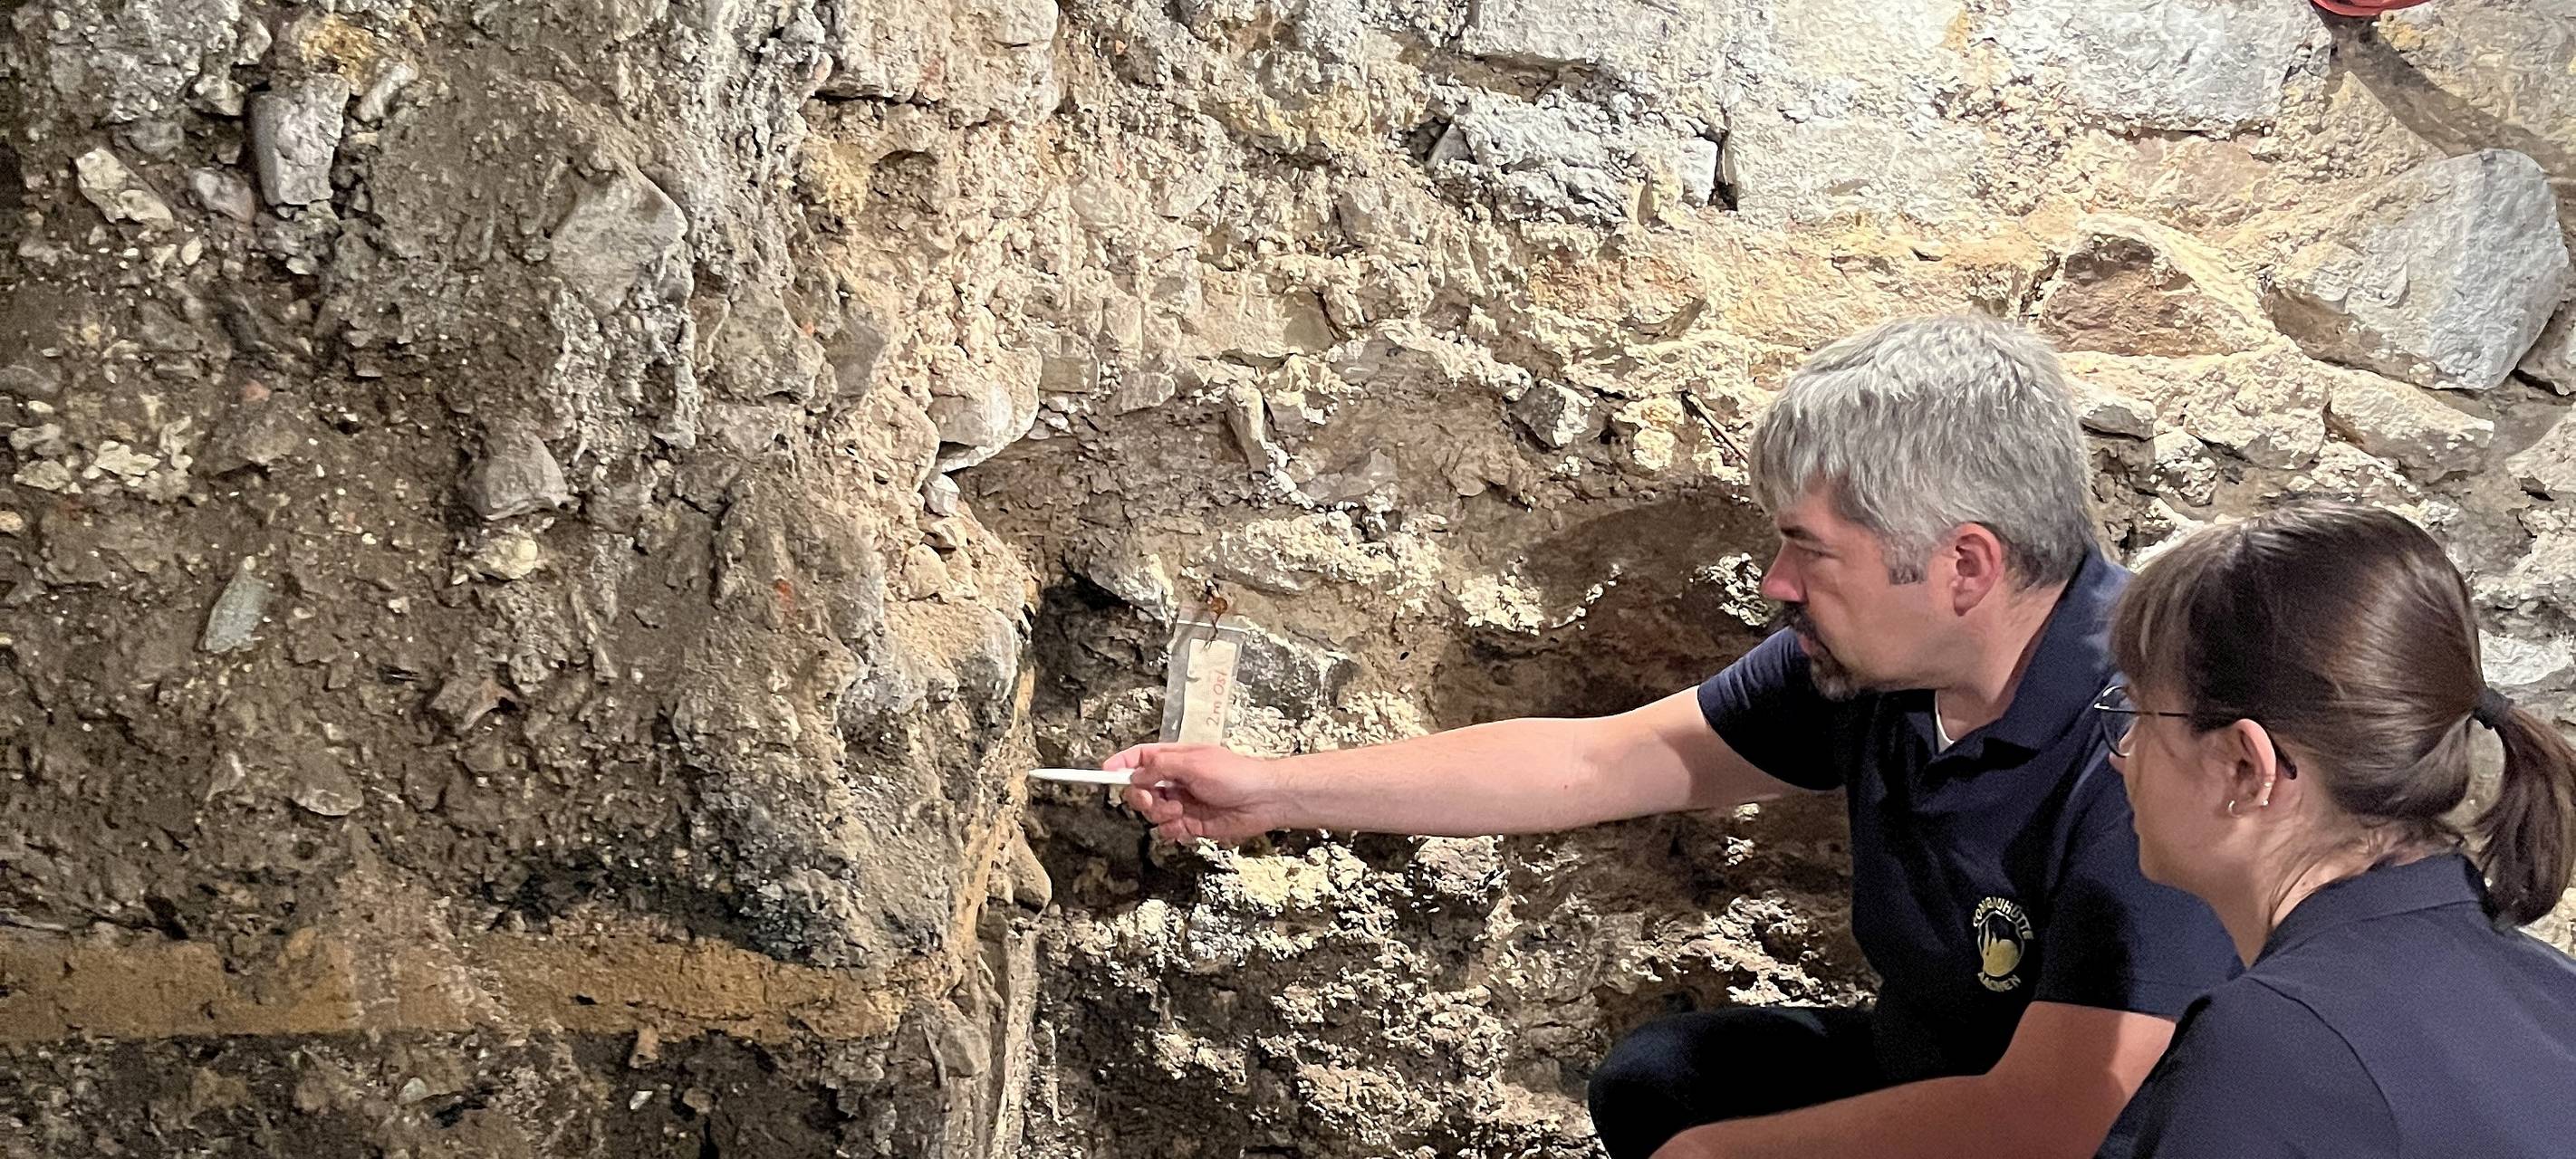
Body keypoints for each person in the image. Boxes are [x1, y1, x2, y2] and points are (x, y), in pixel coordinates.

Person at [1109, 314, 2239, 1159]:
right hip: (1935, 1061)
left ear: (1967, 563)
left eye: (1810, 548)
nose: (1775, 581)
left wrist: (1726, 1157)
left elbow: (2052, 1115)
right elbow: (1600, 759)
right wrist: (1269, 788)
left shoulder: (2153, 746)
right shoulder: (1885, 665)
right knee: (1663, 1081)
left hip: (2088, 1137)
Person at [2098, 502, 2576, 1158]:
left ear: (2246, 767)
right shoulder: (2553, 989)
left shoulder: (2275, 1051)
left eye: (2139, 712)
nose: (2121, 751)